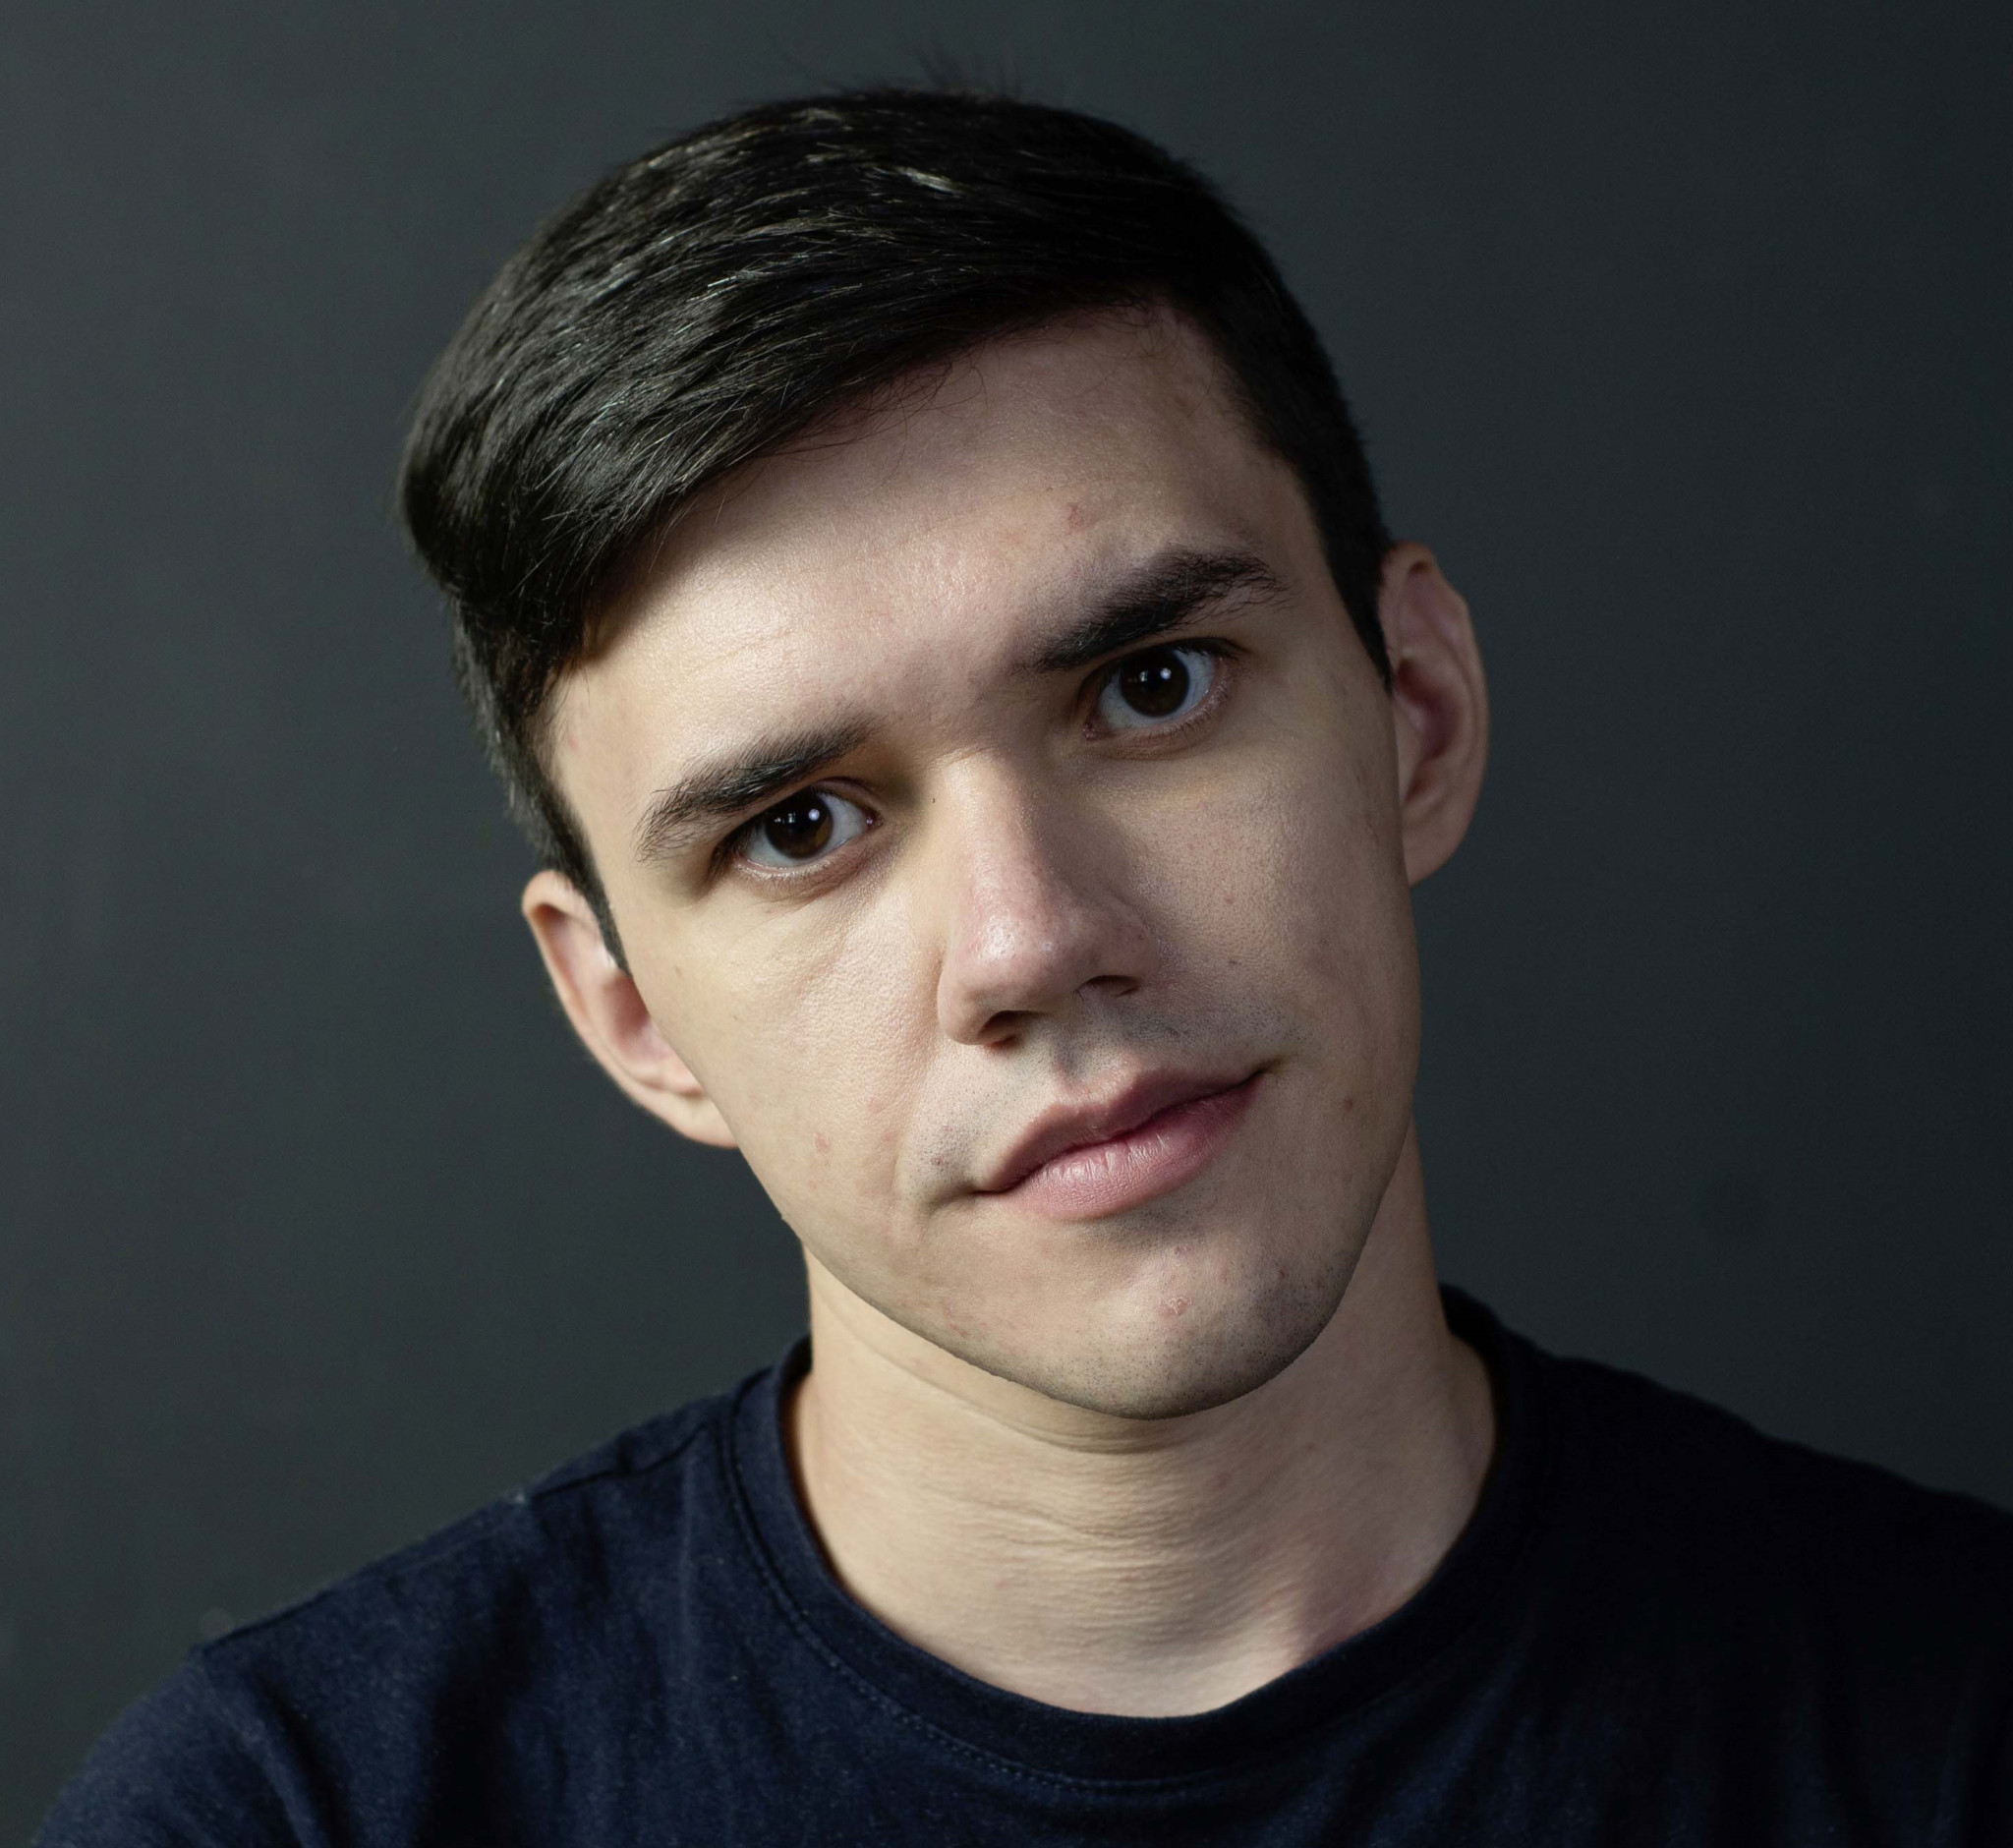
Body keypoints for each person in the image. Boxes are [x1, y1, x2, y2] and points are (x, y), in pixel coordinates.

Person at [37, 87, 2012, 1847]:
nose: (1034, 939)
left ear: (1413, 708)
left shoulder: (1958, 1730)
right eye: (797, 824)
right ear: (632, 1014)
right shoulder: (286, 1815)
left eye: (1152, 688)